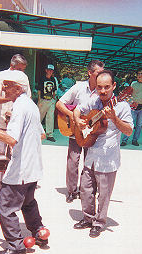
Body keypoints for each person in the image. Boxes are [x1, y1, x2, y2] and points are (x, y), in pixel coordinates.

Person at [0, 70, 47, 254]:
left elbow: (11, 140)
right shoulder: (29, 105)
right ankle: (39, 232)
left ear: (18, 88)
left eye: (6, 84)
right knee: (28, 203)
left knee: (4, 206)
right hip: (33, 167)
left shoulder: (20, 108)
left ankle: (15, 246)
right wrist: (11, 119)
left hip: (21, 169)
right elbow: (41, 134)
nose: (2, 87)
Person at [73, 70, 133, 237]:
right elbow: (78, 110)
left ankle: (99, 222)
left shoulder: (122, 105)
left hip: (108, 157)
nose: (103, 91)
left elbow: (128, 131)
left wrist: (114, 118)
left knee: (104, 194)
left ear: (114, 86)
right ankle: (87, 218)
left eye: (107, 87)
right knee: (85, 189)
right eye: (99, 87)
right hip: (90, 153)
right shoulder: (93, 101)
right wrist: (78, 120)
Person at [56, 60, 104, 203]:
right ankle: (71, 191)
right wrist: (73, 117)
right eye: (99, 73)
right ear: (90, 73)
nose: (102, 76)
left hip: (92, 131)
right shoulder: (78, 87)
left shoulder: (103, 90)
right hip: (75, 129)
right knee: (73, 161)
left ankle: (87, 191)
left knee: (90, 162)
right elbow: (59, 103)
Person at [0, 54, 31, 195]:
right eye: (20, 69)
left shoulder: (24, 78)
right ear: (12, 66)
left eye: (24, 70)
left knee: (15, 153)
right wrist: (10, 98)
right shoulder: (0, 76)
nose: (22, 72)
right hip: (1, 121)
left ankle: (11, 181)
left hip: (16, 122)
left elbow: (28, 99)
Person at [121, 68, 142, 146]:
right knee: (130, 123)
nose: (140, 75)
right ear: (136, 75)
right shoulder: (133, 83)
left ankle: (135, 140)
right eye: (138, 74)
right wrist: (130, 103)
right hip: (133, 107)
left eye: (141, 73)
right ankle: (124, 140)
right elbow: (129, 94)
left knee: (139, 125)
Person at [36, 64, 57, 142]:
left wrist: (54, 98)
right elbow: (39, 90)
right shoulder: (42, 78)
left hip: (51, 100)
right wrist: (39, 100)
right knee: (39, 117)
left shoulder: (53, 79)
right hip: (43, 99)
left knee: (50, 117)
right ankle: (35, 132)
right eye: (49, 70)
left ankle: (50, 134)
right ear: (46, 70)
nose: (50, 72)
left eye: (51, 70)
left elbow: (54, 90)